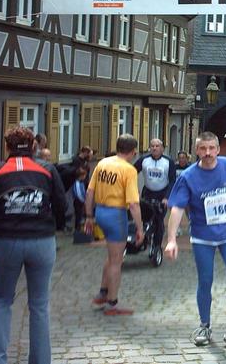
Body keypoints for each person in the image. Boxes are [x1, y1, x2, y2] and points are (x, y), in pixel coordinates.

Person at [0, 126, 66, 364]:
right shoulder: (47, 169)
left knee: (1, 300)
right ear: (34, 146)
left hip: (7, 240)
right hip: (42, 240)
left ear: (7, 146)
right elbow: (62, 206)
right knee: (39, 305)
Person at [165, 132, 226, 349]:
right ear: (196, 150)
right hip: (202, 236)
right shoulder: (187, 176)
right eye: (203, 148)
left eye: (211, 148)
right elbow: (177, 208)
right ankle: (204, 325)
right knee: (205, 281)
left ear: (218, 149)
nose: (208, 153)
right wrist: (171, 240)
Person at [85, 134, 144, 316]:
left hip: (100, 211)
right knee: (117, 261)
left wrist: (89, 216)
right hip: (116, 214)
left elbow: (90, 192)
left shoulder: (103, 163)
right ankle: (112, 303)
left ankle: (102, 293)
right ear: (133, 151)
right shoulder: (129, 170)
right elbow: (133, 204)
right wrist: (140, 228)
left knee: (111, 256)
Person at [134, 139, 176, 252]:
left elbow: (172, 180)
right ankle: (144, 239)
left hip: (162, 194)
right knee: (144, 218)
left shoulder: (168, 161)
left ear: (162, 148)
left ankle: (157, 246)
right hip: (147, 192)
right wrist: (134, 190)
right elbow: (132, 172)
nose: (154, 148)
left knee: (158, 220)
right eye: (152, 146)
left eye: (157, 146)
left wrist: (167, 197)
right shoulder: (144, 160)